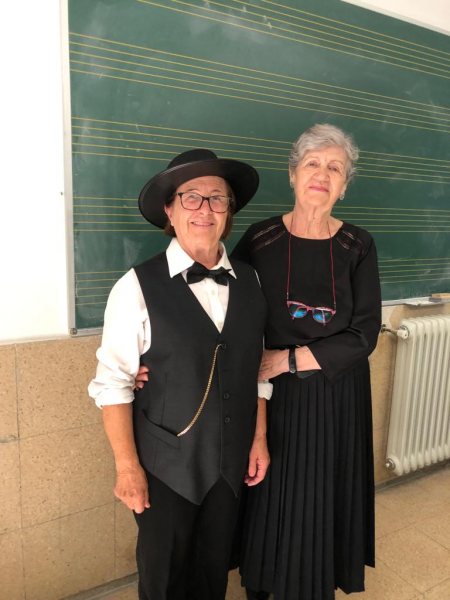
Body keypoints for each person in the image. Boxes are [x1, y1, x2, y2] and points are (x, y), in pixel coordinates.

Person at [88, 149, 271, 600]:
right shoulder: (135, 287)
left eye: (217, 198)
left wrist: (259, 439)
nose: (205, 209)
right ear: (170, 210)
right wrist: (127, 468)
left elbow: (257, 370)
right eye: (191, 197)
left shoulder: (251, 281)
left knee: (213, 572)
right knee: (164, 579)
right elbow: (113, 384)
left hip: (229, 463)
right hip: (164, 466)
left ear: (229, 211)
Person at [231, 123, 381, 600]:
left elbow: (364, 333)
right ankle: (263, 584)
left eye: (335, 168)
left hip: (337, 396)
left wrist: (288, 360)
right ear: (293, 174)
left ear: (344, 185)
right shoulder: (259, 239)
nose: (322, 174)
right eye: (313, 164)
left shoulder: (358, 245)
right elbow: (226, 309)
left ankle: (315, 585)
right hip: (271, 401)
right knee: (270, 493)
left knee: (323, 498)